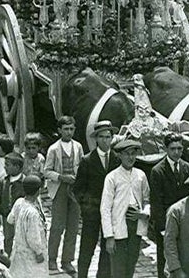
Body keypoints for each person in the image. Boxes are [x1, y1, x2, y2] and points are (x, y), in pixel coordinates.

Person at [75, 121, 121, 278]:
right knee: (87, 247)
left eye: (108, 137)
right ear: (96, 139)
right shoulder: (87, 160)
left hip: (111, 212)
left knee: (108, 247)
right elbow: (78, 189)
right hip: (92, 211)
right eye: (101, 137)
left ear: (112, 138)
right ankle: (82, 275)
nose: (105, 140)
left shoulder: (117, 159)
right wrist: (86, 206)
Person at [101, 139, 151, 278]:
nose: (130, 157)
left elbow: (147, 199)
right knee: (118, 268)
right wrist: (109, 236)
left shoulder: (140, 175)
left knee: (131, 264)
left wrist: (143, 213)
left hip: (135, 224)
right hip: (119, 225)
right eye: (127, 154)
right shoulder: (112, 177)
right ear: (120, 156)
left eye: (133, 154)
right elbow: (105, 208)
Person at [150, 133, 189, 278]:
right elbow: (156, 202)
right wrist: (164, 229)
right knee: (165, 260)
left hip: (185, 222)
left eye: (179, 149)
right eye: (173, 149)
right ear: (166, 149)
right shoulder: (157, 171)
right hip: (166, 224)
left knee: (184, 258)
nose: (176, 152)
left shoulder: (188, 168)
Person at [43, 116, 83, 275]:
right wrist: (60, 177)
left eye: (71, 129)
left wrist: (79, 180)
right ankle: (51, 258)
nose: (69, 132)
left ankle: (67, 260)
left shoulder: (78, 147)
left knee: (73, 226)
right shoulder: (53, 149)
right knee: (58, 225)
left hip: (74, 189)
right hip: (59, 188)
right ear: (59, 130)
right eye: (65, 129)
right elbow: (46, 171)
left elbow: (81, 166)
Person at [7, 175, 48, 278]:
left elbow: (10, 219)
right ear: (38, 191)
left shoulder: (19, 202)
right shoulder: (32, 212)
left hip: (19, 248)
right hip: (31, 253)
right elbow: (33, 237)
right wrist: (38, 252)